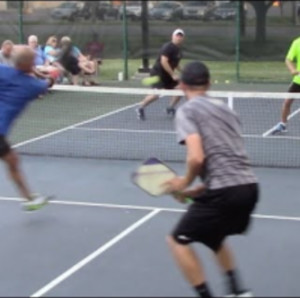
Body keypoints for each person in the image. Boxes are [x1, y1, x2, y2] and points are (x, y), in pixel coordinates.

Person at [164, 61, 259, 297]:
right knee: (213, 236)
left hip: (224, 191)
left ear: (181, 85)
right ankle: (238, 292)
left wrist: (183, 183)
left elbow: (197, 158)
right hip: (248, 187)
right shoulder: (228, 110)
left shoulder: (187, 110)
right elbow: (229, 158)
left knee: (177, 241)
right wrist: (199, 189)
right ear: (209, 83)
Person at [0, 45, 55, 211]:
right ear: (30, 64)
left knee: (13, 160)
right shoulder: (32, 86)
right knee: (12, 161)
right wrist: (48, 75)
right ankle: (28, 198)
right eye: (33, 59)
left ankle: (28, 198)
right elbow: (48, 83)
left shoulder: (3, 71)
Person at [135, 28, 185, 120]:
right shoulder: (168, 47)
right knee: (156, 94)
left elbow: (176, 64)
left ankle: (170, 108)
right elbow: (164, 61)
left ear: (183, 38)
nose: (179, 37)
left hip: (168, 76)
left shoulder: (179, 51)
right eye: (177, 35)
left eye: (180, 36)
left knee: (181, 88)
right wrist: (173, 74)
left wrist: (185, 72)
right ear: (173, 36)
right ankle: (140, 107)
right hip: (158, 74)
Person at [269, 36, 300, 135]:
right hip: (298, 81)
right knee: (287, 102)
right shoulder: (297, 42)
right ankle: (283, 125)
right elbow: (288, 59)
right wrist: (292, 70)